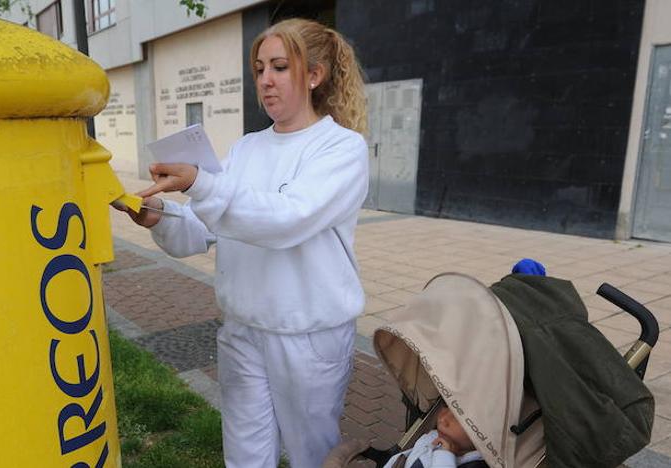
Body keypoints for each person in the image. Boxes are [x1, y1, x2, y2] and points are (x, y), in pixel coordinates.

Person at [116, 17, 369, 467]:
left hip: (306, 333)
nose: (266, 81)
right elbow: (208, 225)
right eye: (259, 69)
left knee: (313, 454)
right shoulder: (247, 148)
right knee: (245, 454)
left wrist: (201, 185)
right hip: (242, 327)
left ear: (314, 75)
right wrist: (160, 216)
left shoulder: (340, 149)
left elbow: (287, 220)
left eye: (279, 68)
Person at [380, 405, 484, 468]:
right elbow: (406, 457)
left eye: (459, 417)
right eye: (447, 406)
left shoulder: (476, 464)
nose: (443, 419)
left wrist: (445, 457)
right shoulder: (433, 436)